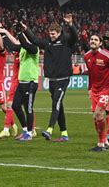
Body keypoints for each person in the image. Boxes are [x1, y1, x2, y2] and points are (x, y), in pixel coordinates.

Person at [24, 13, 77, 142]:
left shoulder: (65, 41)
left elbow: (75, 37)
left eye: (53, 33)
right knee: (59, 105)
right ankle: (64, 133)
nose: (51, 36)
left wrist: (70, 25)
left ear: (59, 33)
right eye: (50, 33)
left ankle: (49, 129)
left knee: (56, 104)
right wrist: (26, 30)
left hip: (63, 78)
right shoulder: (47, 42)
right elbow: (35, 41)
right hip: (52, 79)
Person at [5, 19, 40, 141]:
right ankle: (25, 130)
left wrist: (20, 32)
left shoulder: (34, 48)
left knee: (28, 108)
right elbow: (12, 46)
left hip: (31, 82)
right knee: (15, 105)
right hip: (22, 82)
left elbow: (24, 44)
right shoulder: (23, 48)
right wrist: (2, 33)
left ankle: (30, 134)